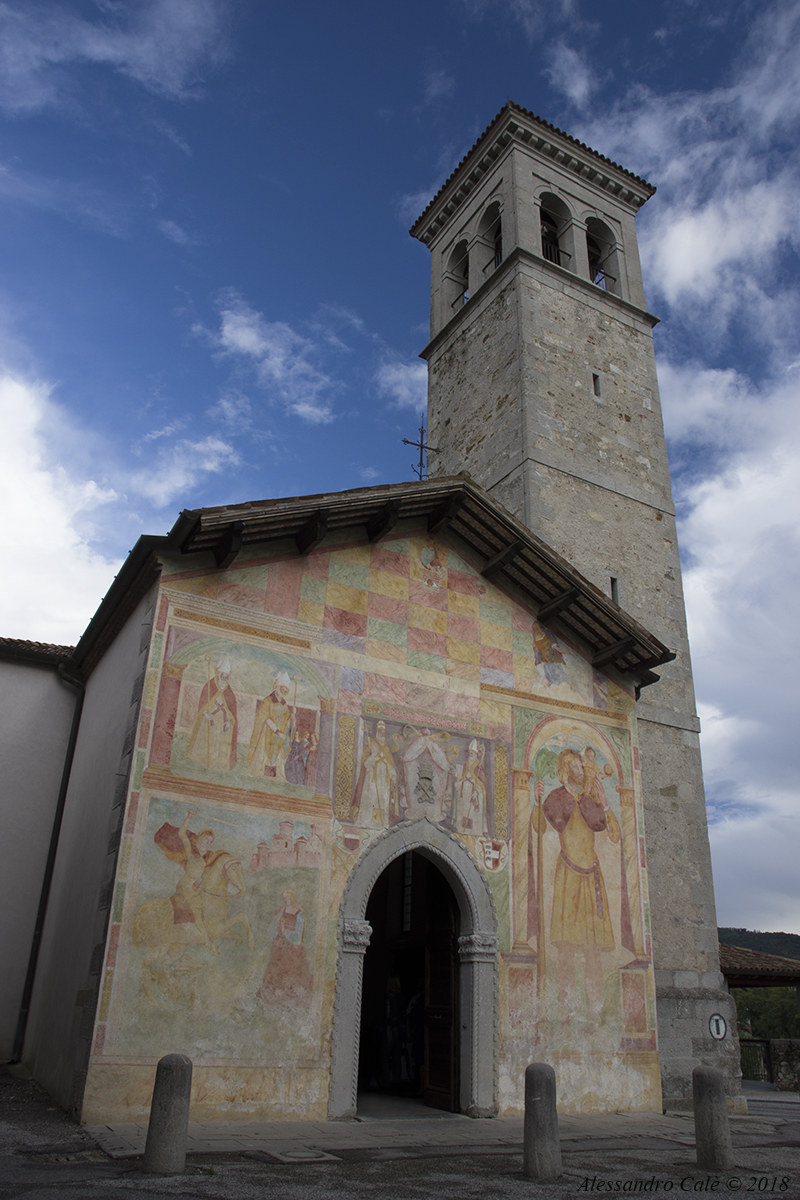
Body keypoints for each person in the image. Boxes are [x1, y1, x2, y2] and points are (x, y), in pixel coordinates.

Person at [533, 748, 620, 1005]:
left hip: (592, 875)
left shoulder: (590, 799)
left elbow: (615, 835)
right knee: (566, 947)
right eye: (573, 765)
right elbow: (539, 829)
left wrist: (604, 803)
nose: (579, 769)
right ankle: (566, 1004)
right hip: (567, 876)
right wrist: (536, 801)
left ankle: (595, 1005)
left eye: (580, 764)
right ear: (564, 771)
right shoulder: (556, 798)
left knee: (593, 948)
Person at [154, 810, 219, 951]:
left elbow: (207, 873)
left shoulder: (208, 856)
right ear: (199, 838)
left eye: (209, 841)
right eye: (205, 839)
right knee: (197, 911)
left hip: (197, 886)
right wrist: (188, 818)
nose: (206, 843)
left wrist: (201, 880)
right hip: (187, 885)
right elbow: (182, 834)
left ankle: (203, 935)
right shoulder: (191, 850)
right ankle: (208, 942)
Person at [256, 890, 313, 1006]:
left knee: (291, 967)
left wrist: (284, 931)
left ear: (293, 898)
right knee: (276, 966)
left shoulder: (299, 914)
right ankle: (277, 990)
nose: (286, 900)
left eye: (288, 897)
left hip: (293, 948)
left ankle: (291, 992)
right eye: (285, 898)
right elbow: (271, 928)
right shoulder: (282, 911)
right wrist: (278, 932)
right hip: (280, 945)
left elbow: (298, 937)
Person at [186, 657, 238, 770]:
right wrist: (206, 714)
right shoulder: (210, 686)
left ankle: (217, 764)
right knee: (206, 742)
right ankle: (203, 761)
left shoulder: (229, 691)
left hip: (222, 723)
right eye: (223, 675)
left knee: (220, 744)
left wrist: (229, 721)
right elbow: (203, 703)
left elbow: (232, 710)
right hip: (209, 720)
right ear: (218, 673)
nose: (224, 678)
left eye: (227, 676)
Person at [247, 671, 294, 778]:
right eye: (282, 690)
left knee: (277, 755)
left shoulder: (284, 704)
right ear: (277, 687)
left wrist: (292, 716)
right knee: (263, 754)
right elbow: (264, 718)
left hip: (279, 736)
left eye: (285, 691)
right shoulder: (268, 701)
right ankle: (260, 772)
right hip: (267, 733)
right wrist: (276, 730)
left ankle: (274, 775)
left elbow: (286, 719)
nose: (283, 693)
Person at [353, 720, 397, 823]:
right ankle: (368, 821)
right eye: (380, 731)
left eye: (383, 732)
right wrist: (373, 757)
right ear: (377, 732)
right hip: (372, 779)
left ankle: (382, 823)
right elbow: (365, 764)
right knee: (371, 798)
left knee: (383, 801)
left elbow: (391, 765)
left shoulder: (386, 748)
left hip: (384, 781)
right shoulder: (371, 745)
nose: (382, 734)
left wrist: (392, 773)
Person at [455, 739, 488, 834]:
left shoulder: (479, 766)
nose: (471, 754)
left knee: (472, 813)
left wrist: (477, 792)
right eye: (470, 752)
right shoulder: (466, 764)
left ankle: (473, 832)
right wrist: (459, 782)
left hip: (473, 793)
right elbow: (462, 776)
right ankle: (463, 829)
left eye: (472, 752)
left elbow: (483, 783)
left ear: (476, 753)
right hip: (465, 792)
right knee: (464, 811)